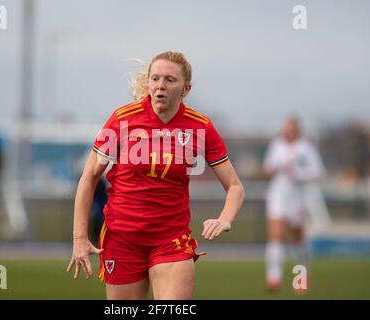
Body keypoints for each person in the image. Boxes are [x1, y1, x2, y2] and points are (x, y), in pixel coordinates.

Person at [66, 51, 245, 300]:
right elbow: (88, 179)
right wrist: (80, 238)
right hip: (122, 239)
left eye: (170, 80)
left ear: (186, 89)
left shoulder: (200, 127)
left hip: (171, 239)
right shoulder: (121, 120)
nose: (161, 86)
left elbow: (235, 187)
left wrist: (225, 218)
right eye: (155, 79)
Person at [263, 117, 324, 292]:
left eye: (291, 129)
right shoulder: (276, 145)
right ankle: (274, 277)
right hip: (278, 196)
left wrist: (297, 173)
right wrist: (273, 168)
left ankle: (301, 277)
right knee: (276, 235)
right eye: (286, 129)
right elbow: (267, 167)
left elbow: (317, 171)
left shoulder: (306, 148)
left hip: (297, 197)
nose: (288, 132)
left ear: (297, 130)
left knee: (298, 240)